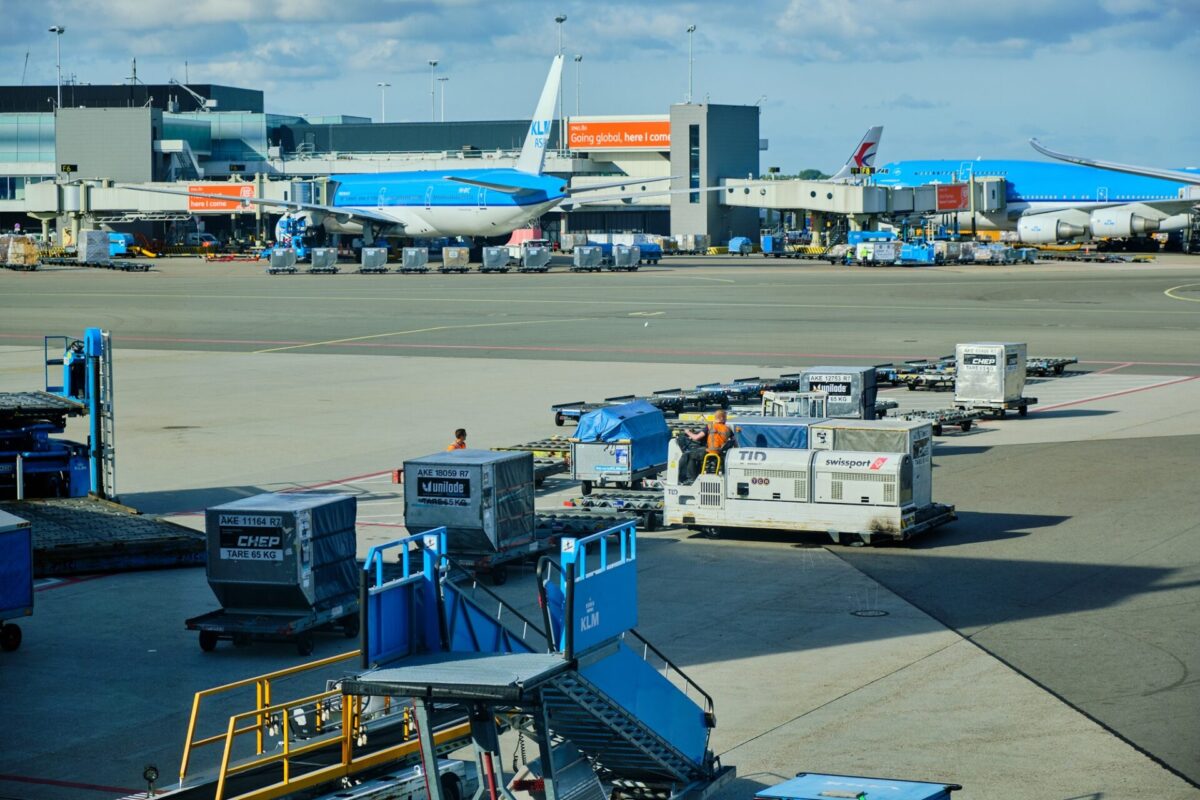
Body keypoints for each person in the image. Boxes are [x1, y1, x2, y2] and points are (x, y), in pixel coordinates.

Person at [678, 409, 737, 483]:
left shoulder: (710, 426)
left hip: (710, 451)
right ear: (722, 418)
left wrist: (688, 432)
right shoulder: (728, 429)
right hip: (721, 453)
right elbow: (735, 443)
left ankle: (691, 479)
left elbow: (696, 437)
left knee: (690, 455)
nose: (726, 419)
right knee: (697, 453)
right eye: (725, 417)